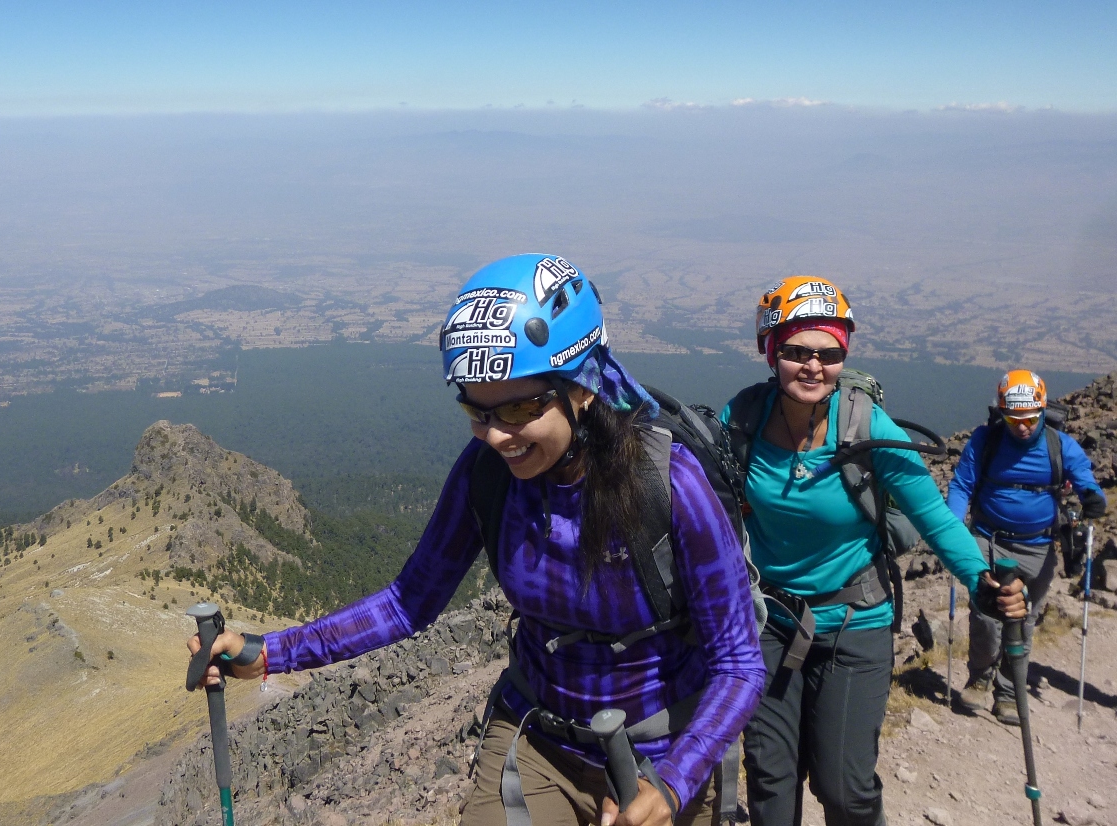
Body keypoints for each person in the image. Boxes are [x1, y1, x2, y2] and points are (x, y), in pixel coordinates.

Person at [189, 253, 766, 826]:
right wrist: (270, 654)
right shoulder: (485, 475)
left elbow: (739, 664)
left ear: (583, 387)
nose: (495, 434)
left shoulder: (669, 485)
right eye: (474, 408)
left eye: (519, 407)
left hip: (664, 754)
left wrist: (671, 788)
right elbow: (408, 602)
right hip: (538, 737)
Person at [719, 276, 1028, 826]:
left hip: (854, 622)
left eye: (829, 353)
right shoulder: (741, 419)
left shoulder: (866, 425)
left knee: (844, 788)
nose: (813, 366)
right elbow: (698, 493)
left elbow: (934, 516)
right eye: (795, 351)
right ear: (771, 351)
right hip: (766, 620)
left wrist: (981, 579)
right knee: (770, 780)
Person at [947, 369, 1106, 724]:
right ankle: (980, 676)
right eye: (1014, 418)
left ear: (1042, 411)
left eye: (1031, 418)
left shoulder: (1059, 445)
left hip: (1038, 546)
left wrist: (1093, 497)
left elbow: (1083, 478)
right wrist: (952, 526)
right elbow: (961, 485)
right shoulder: (985, 441)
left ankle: (1008, 691)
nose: (1023, 426)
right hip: (988, 541)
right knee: (987, 615)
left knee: (1025, 619)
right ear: (1002, 412)